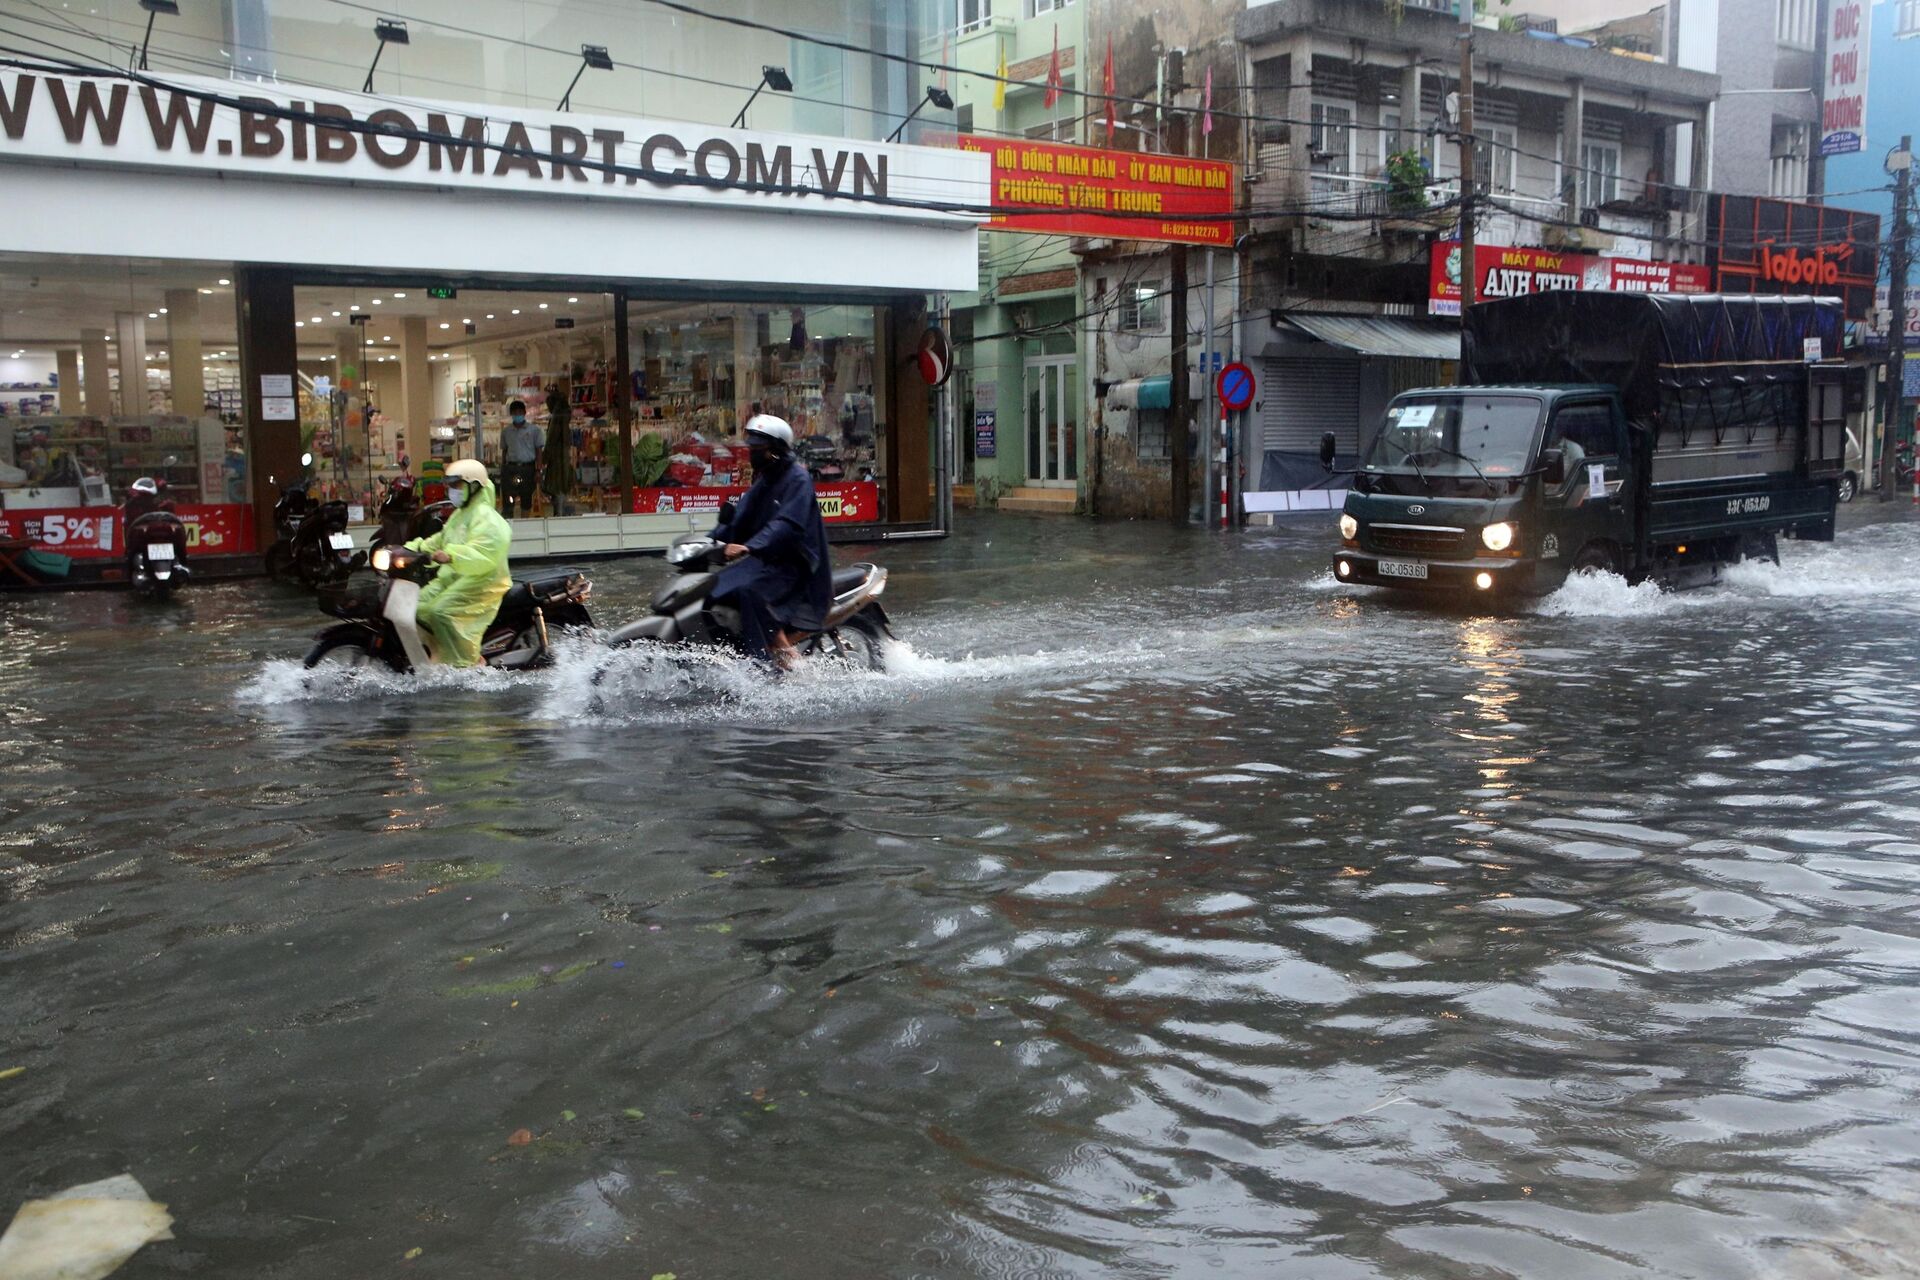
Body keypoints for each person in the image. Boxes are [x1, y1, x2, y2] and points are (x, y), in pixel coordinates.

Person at [710, 414, 831, 667]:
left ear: (775, 451)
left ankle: (775, 661)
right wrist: (706, 543)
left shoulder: (798, 479)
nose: (752, 454)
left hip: (794, 564)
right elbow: (741, 517)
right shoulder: (764, 479)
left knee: (749, 591)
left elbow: (786, 524)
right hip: (765, 560)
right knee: (714, 585)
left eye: (758, 449)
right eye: (750, 448)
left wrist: (749, 546)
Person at [405, 458, 511, 668]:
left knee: (440, 613)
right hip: (455, 577)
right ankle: (437, 655)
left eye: (457, 485)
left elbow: (484, 554)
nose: (452, 490)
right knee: (414, 608)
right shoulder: (460, 516)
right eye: (451, 485)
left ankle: (466, 664)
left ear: (473, 486)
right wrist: (411, 549)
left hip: (482, 582)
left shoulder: (488, 518)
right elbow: (439, 541)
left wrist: (452, 556)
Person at [499, 400, 541, 518]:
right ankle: (509, 524)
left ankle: (525, 524)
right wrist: (503, 468)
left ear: (524, 412)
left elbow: (539, 451)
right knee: (508, 499)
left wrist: (538, 470)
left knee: (526, 499)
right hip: (510, 468)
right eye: (515, 412)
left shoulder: (534, 430)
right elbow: (504, 450)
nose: (517, 414)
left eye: (520, 412)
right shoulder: (506, 432)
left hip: (528, 469)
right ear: (511, 414)